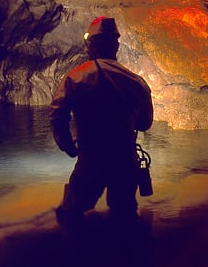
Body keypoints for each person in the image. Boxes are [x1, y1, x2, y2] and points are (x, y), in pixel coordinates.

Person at [50, 16, 154, 227]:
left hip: (92, 159)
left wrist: (68, 146)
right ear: (115, 45)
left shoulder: (76, 77)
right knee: (125, 217)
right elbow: (145, 123)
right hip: (125, 159)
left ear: (91, 44)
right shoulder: (136, 81)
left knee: (72, 213)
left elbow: (57, 115)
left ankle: (76, 254)